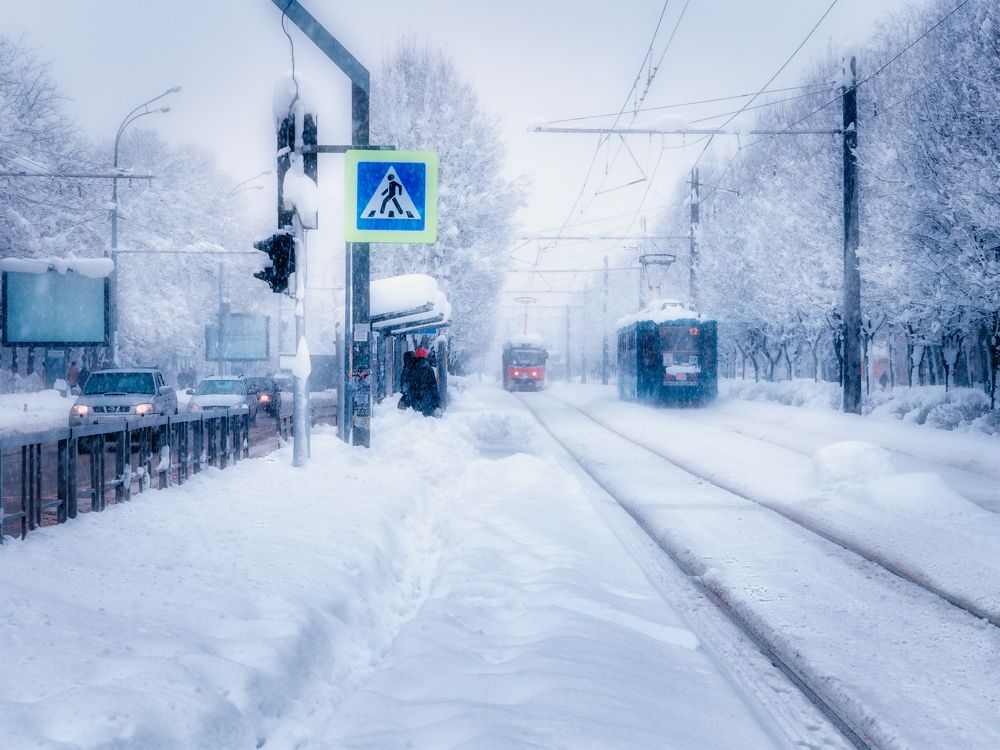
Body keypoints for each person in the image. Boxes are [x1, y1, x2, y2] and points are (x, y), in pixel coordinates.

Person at [407, 347, 441, 417]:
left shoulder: (411, 369)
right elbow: (433, 387)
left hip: (414, 402)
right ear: (426, 356)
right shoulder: (429, 370)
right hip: (427, 402)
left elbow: (409, 386)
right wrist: (437, 403)